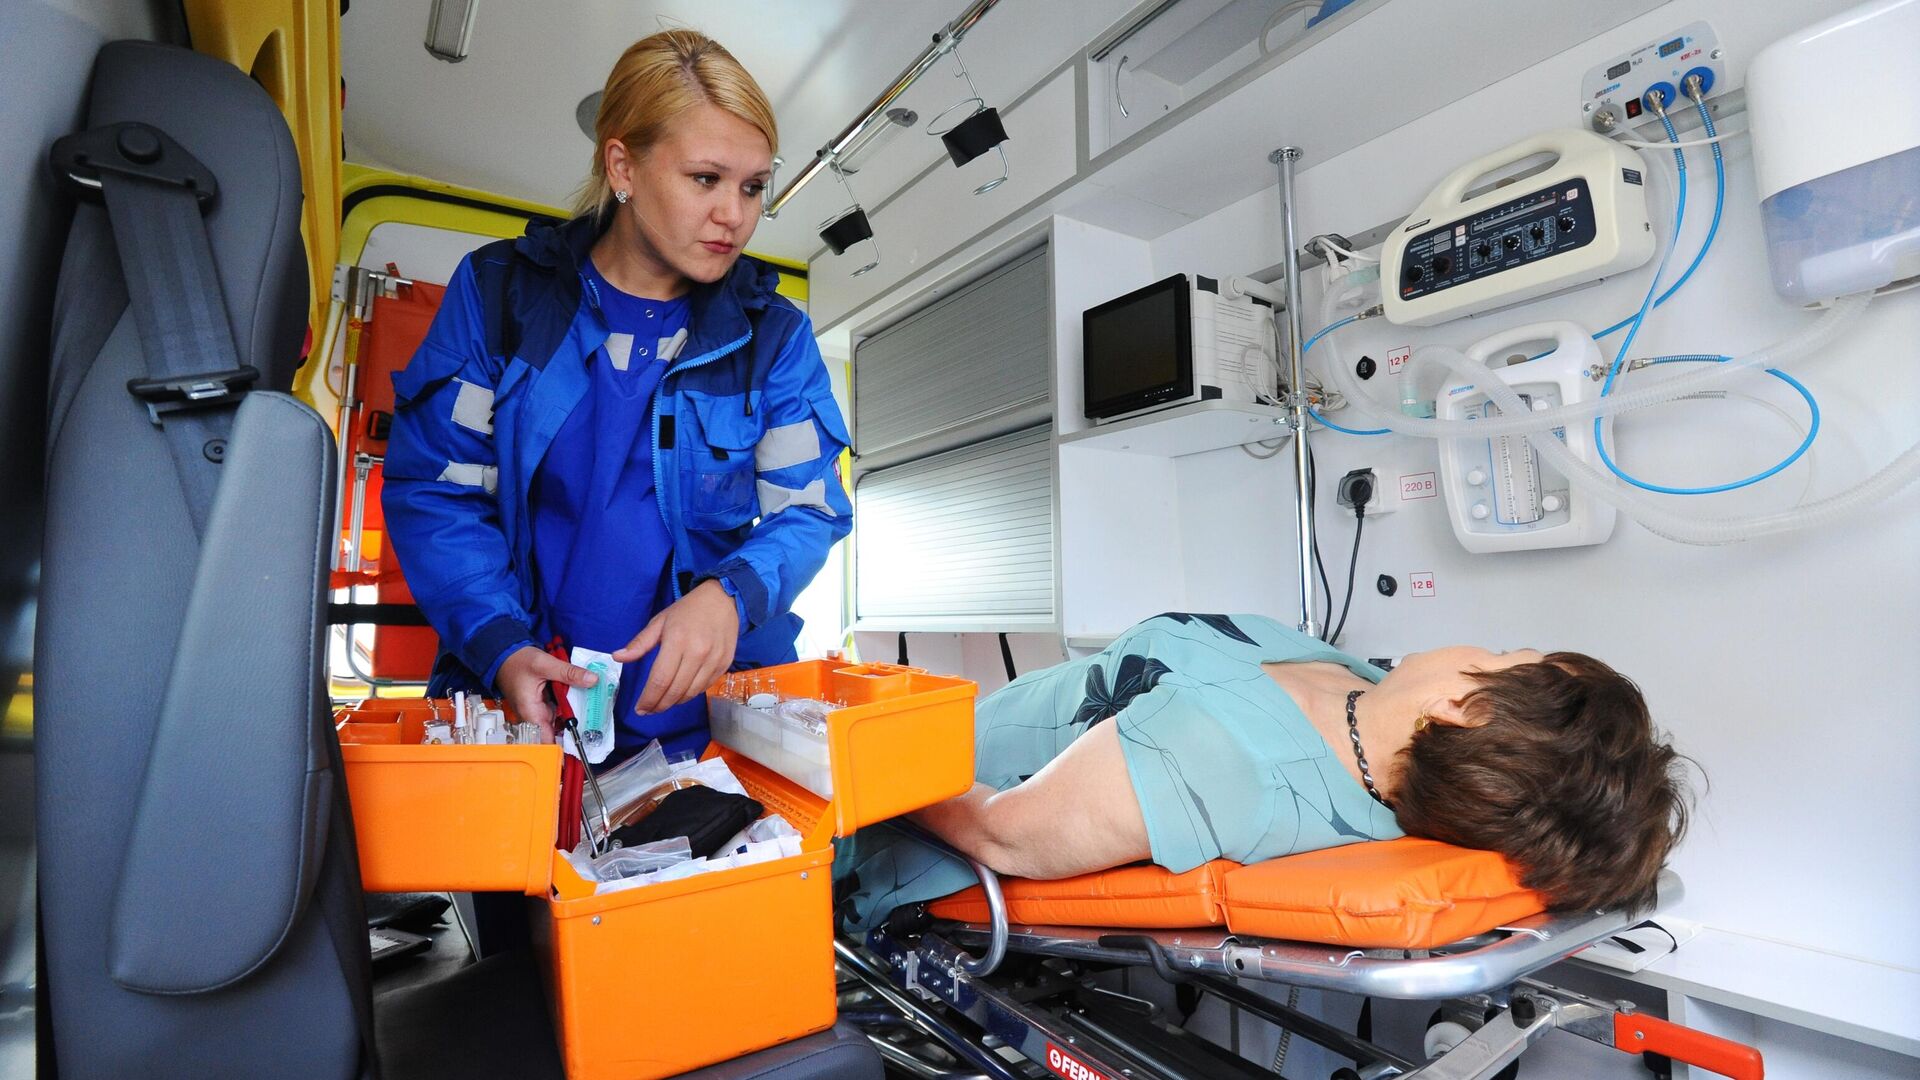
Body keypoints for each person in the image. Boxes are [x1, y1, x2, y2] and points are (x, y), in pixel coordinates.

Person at [384, 30, 851, 761]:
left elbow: (811, 509)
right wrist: (500, 646)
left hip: (713, 728)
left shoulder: (776, 336)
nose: (735, 214)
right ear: (622, 166)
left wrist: (730, 595)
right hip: (526, 708)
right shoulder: (499, 295)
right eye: (706, 179)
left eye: (753, 186)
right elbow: (436, 491)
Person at [835, 612, 1691, 930]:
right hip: (928, 736)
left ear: (1464, 709)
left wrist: (853, 749)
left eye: (1503, 652)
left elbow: (1002, 836)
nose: (1483, 642)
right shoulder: (1365, 690)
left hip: (871, 820)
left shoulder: (1226, 758)